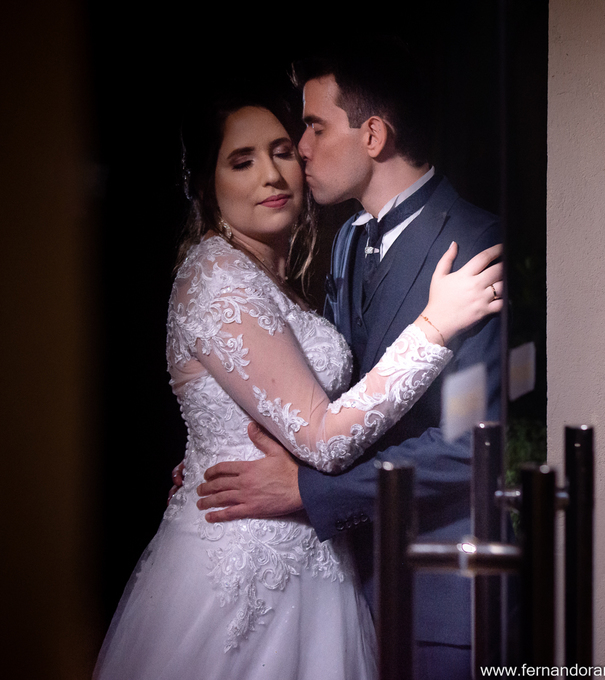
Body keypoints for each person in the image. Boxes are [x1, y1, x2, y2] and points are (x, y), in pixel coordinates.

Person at [94, 86, 502, 679]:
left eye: (283, 149)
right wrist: (433, 327)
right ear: (208, 185)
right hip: (243, 567)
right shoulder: (217, 277)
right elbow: (322, 436)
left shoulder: (306, 263)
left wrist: (215, 446)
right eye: (242, 161)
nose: (274, 173)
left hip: (321, 562)